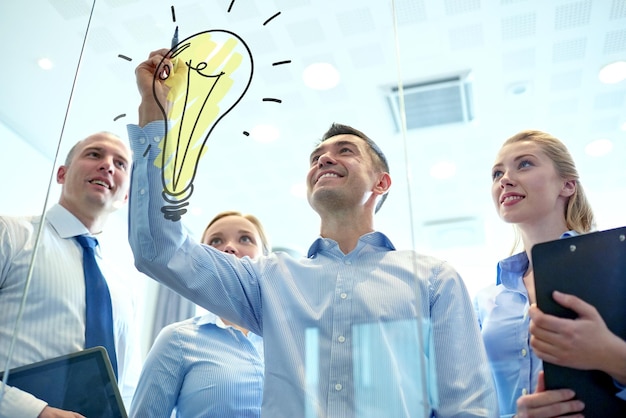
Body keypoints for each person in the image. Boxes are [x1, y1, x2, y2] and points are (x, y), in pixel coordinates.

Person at [127, 48, 498, 417]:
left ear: (381, 182)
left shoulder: (433, 280)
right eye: (316, 156)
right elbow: (159, 250)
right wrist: (154, 110)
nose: (324, 159)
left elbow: (467, 408)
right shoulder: (267, 281)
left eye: (345, 151)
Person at [473, 129, 626, 417]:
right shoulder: (486, 300)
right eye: (496, 174)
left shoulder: (617, 268)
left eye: (525, 164)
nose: (504, 179)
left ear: (567, 185)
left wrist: (610, 354)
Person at [0, 132, 141, 418]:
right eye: (94, 154)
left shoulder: (123, 287)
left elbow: (126, 384)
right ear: (62, 174)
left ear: (125, 196)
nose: (108, 166)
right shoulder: (9, 236)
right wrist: (33, 412)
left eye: (121, 163)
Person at [129, 210, 269, 418]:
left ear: (266, 258)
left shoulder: (290, 340)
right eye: (215, 241)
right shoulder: (177, 340)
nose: (229, 247)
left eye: (245, 238)